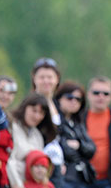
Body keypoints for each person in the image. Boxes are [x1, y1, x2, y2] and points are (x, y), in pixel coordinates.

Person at [7, 93, 58, 188]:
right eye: (34, 111)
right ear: (25, 108)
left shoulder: (37, 136)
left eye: (41, 113)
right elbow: (10, 161)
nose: (37, 116)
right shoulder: (11, 127)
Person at [55, 81, 96, 188]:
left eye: (78, 99)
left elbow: (92, 149)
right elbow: (66, 150)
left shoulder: (78, 123)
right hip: (64, 177)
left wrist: (79, 145)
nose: (74, 101)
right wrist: (80, 151)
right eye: (69, 97)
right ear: (59, 98)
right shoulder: (55, 121)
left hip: (83, 177)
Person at [31, 57, 64, 188]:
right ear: (34, 79)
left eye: (50, 77)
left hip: (56, 164)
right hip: (39, 165)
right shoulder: (32, 103)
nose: (46, 81)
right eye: (42, 77)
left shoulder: (58, 104)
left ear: (57, 79)